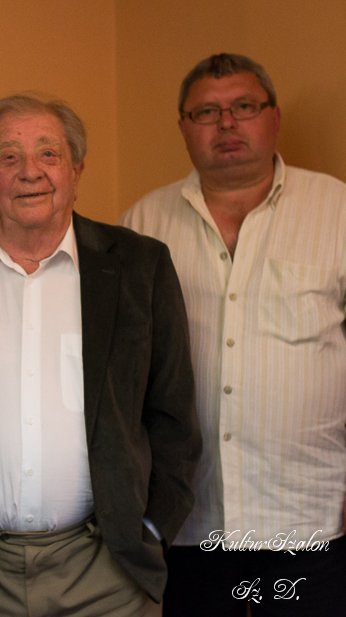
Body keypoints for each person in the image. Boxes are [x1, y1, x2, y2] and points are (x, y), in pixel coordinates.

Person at [0, 94, 201, 617]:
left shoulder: (139, 266)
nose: (30, 171)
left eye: (49, 154)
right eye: (8, 157)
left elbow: (174, 416)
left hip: (109, 573)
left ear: (76, 171)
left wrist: (151, 528)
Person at [120, 53, 346, 616]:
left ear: (274, 118)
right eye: (206, 112)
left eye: (244, 106)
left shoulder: (338, 210)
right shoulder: (143, 225)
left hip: (307, 518)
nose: (226, 123)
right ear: (182, 127)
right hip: (188, 522)